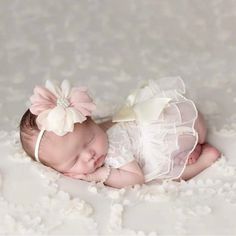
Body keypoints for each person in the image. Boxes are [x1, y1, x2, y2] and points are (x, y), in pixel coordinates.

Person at [19, 77, 221, 189]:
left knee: (161, 176)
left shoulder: (114, 149)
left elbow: (136, 179)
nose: (89, 155)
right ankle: (195, 143)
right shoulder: (101, 130)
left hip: (171, 134)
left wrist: (99, 175)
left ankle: (205, 158)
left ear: (91, 121)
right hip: (179, 116)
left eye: (89, 139)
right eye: (74, 161)